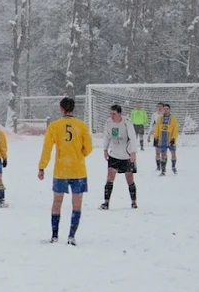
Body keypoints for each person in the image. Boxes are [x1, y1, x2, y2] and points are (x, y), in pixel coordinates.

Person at [38, 97, 93, 246]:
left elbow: (47, 148)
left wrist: (42, 167)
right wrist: (79, 155)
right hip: (78, 170)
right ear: (73, 109)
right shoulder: (81, 125)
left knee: (57, 201)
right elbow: (88, 148)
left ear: (61, 109)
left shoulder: (55, 126)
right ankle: (71, 236)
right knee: (77, 203)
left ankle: (55, 235)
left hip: (61, 170)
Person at [101, 105, 138, 210]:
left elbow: (133, 137)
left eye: (114, 114)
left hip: (126, 155)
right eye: (110, 113)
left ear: (119, 113)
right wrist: (105, 149)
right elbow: (107, 136)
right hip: (114, 155)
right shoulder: (108, 122)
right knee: (109, 179)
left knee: (130, 179)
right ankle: (106, 202)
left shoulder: (127, 122)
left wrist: (133, 153)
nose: (111, 115)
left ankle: (134, 202)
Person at [154, 103, 179, 176]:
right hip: (162, 140)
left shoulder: (173, 119)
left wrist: (173, 138)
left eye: (167, 109)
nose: (165, 110)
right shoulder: (160, 119)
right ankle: (163, 170)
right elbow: (157, 129)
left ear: (169, 110)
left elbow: (175, 129)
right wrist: (156, 138)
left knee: (173, 154)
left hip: (170, 139)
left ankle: (173, 166)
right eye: (164, 109)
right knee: (163, 155)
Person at [147, 102, 164, 171]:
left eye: (160, 106)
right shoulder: (154, 114)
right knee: (157, 152)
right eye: (158, 106)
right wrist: (149, 135)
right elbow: (151, 124)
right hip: (157, 134)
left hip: (164, 134)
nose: (159, 108)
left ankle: (163, 166)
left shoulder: (166, 114)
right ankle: (158, 166)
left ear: (163, 107)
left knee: (163, 152)